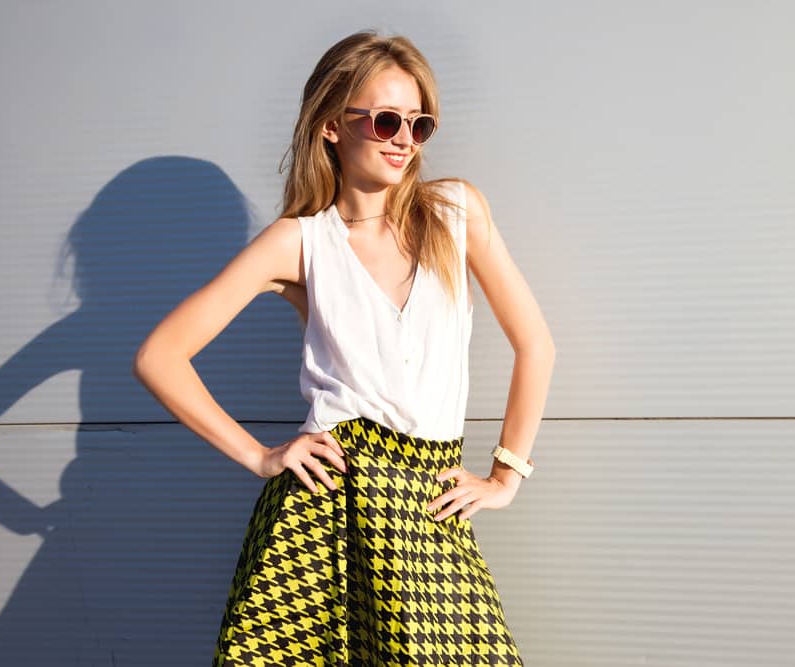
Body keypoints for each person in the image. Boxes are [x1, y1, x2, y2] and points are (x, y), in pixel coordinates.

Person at [133, 29, 555, 667]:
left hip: (425, 502)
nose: (404, 140)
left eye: (419, 124)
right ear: (332, 125)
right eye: (386, 120)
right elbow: (160, 356)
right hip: (322, 510)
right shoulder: (299, 241)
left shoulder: (455, 213)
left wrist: (505, 475)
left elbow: (537, 345)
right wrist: (259, 455)